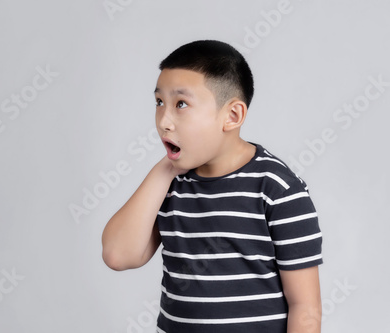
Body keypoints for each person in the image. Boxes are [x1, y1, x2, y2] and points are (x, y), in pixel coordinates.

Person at [101, 40, 323, 333]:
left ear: (232, 116)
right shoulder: (169, 184)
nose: (164, 121)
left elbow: (305, 308)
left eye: (181, 104)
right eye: (159, 103)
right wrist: (165, 168)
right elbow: (119, 255)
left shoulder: (277, 188)